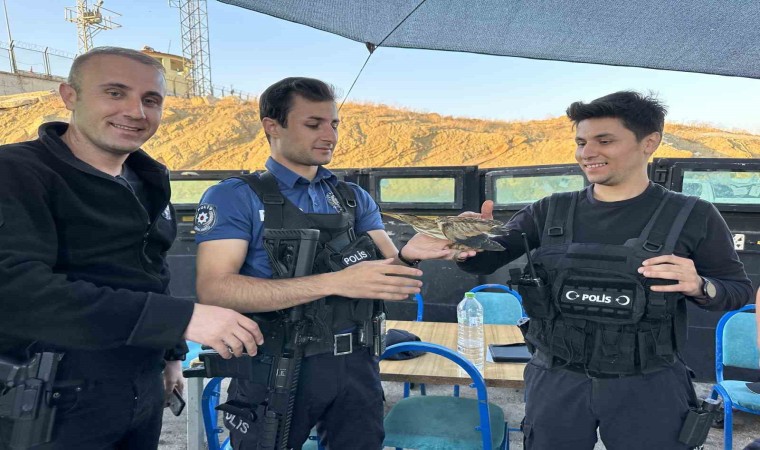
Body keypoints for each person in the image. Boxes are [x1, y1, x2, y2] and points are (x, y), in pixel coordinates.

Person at [404, 91, 752, 449]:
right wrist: (465, 242)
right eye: (581, 142)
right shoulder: (548, 210)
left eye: (605, 140)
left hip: (649, 382)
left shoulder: (693, 215)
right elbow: (485, 259)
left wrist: (700, 285)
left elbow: (736, 290)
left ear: (649, 143)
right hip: (557, 378)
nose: (587, 153)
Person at [0, 46, 264, 450]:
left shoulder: (148, 178)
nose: (136, 112)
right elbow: (17, 291)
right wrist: (180, 319)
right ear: (69, 96)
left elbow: (152, 270)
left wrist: (171, 355)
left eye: (151, 100)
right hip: (51, 401)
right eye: (115, 93)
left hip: (141, 389)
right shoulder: (17, 172)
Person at [194, 77, 446, 449]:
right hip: (277, 366)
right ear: (272, 126)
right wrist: (336, 281)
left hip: (357, 363)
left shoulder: (352, 198)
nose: (330, 135)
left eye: (334, 124)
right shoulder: (234, 196)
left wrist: (415, 252)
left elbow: (391, 272)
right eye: (313, 124)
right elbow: (215, 289)